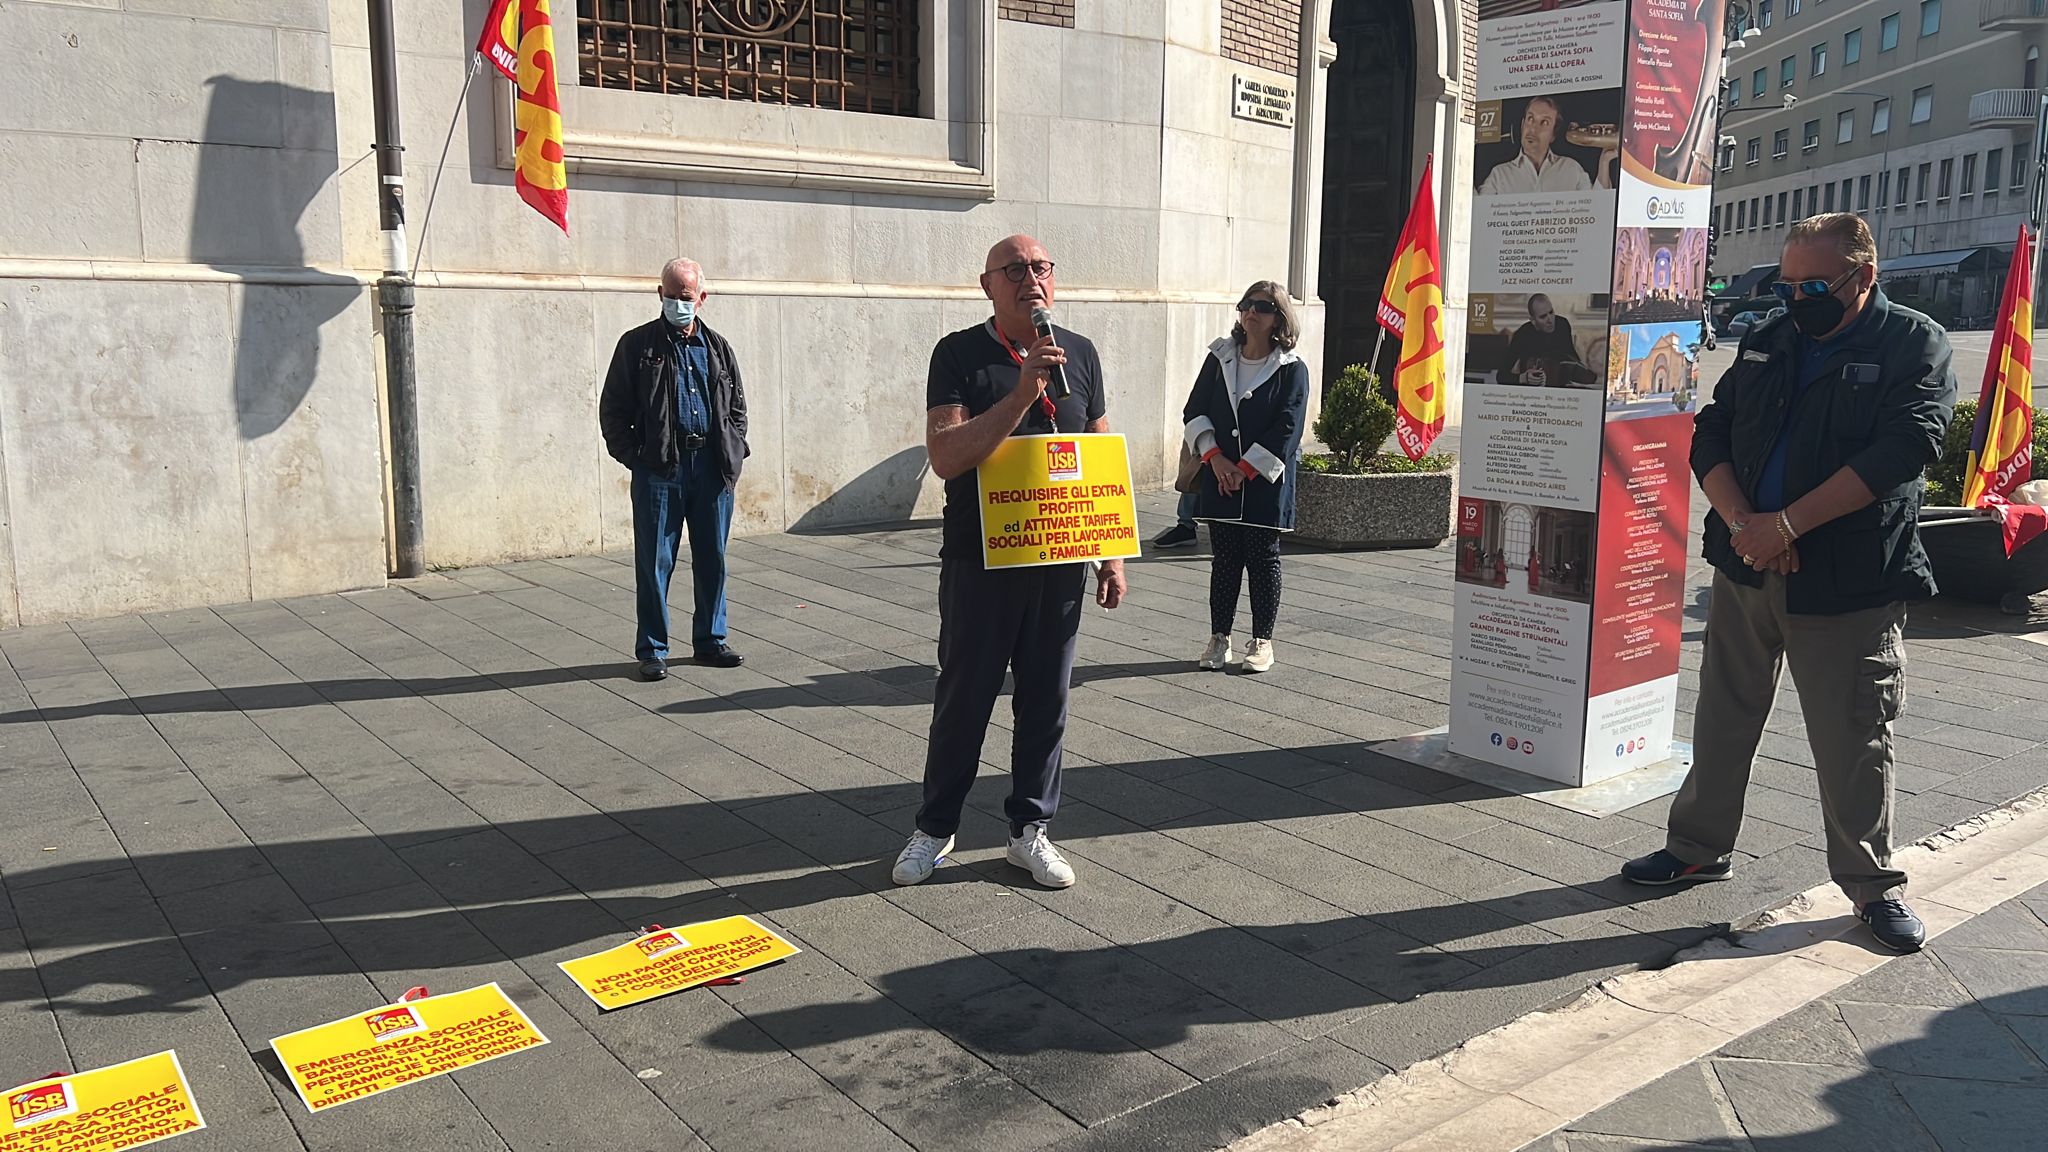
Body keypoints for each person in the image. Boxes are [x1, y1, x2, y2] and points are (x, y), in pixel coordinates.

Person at [1620, 214, 1957, 955]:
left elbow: (1907, 446)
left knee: (1853, 736)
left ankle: (1870, 887)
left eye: (1814, 285)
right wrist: (1745, 520)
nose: (1797, 297)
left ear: (1864, 277)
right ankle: (1697, 847)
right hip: (1747, 564)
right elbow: (1713, 430)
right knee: (1724, 718)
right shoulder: (1773, 338)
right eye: (1787, 283)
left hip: (1846, 582)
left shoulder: (1913, 344)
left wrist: (1790, 525)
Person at [891, 235, 1128, 890]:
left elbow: (1098, 454)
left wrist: (1110, 553)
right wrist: (1022, 394)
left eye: (1042, 267)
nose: (1032, 278)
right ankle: (935, 829)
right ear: (987, 284)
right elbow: (945, 455)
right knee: (964, 699)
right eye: (1016, 269)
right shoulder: (959, 355)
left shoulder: (1080, 353)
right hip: (981, 561)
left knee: (1046, 700)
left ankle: (1031, 831)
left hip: (1061, 561)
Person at [598, 258, 750, 681]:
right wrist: (638, 458)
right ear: (659, 293)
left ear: (702, 298)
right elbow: (613, 411)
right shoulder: (637, 346)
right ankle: (652, 649)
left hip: (711, 468)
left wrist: (733, 453)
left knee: (713, 558)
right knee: (654, 562)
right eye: (672, 296)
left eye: (686, 297)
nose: (679, 304)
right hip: (660, 471)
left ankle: (711, 641)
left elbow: (737, 408)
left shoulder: (717, 347)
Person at [1181, 282, 1310, 674]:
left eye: (1264, 306)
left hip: (1263, 483)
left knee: (1262, 558)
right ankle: (1220, 637)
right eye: (1246, 305)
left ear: (1280, 317)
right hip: (1219, 474)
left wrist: (1246, 469)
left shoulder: (1292, 368)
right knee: (1224, 560)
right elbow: (1195, 410)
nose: (1252, 312)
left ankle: (1262, 641)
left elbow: (1289, 427)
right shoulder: (1219, 358)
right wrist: (1216, 459)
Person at [1477, 95, 1616, 195]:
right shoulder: (1499, 174)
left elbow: (1598, 207)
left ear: (1553, 134)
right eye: (1530, 119)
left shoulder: (1571, 168)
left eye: (1544, 122)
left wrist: (1604, 161)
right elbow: (1476, 214)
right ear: (1522, 125)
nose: (1533, 129)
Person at [1506, 294, 1586, 386]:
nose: (1550, 320)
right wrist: (1523, 378)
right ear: (1533, 320)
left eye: (1551, 312)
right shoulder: (1522, 335)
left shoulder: (1562, 324)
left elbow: (1571, 356)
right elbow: (1501, 376)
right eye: (1543, 317)